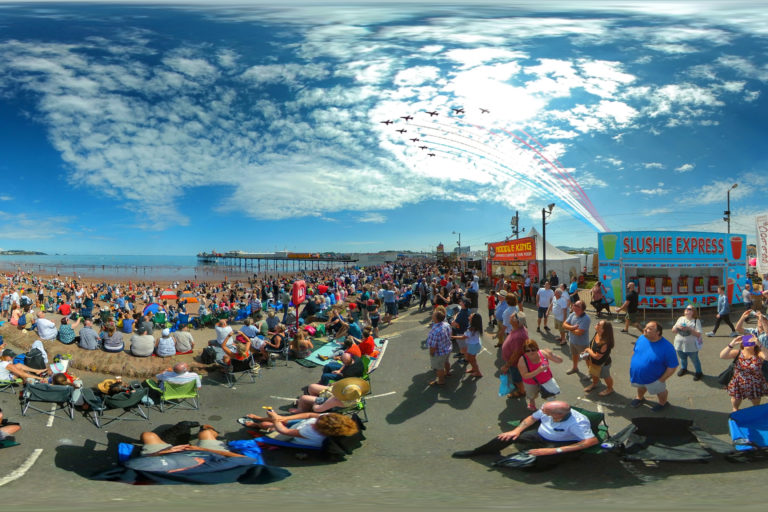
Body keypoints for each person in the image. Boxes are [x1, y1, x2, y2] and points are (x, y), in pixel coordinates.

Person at [451, 401, 598, 461]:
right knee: (505, 437)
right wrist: (516, 430)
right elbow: (532, 419)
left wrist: (555, 451)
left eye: (546, 413)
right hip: (540, 435)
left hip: (558, 442)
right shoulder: (548, 409)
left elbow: (591, 441)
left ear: (559, 415)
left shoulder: (578, 423)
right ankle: (478, 452)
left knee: (541, 462)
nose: (543, 413)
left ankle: (518, 461)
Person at [238, 410, 359, 448]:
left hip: (295, 435)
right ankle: (260, 421)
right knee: (280, 420)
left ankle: (257, 425)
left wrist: (275, 419)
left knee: (268, 425)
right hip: (302, 424)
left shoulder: (311, 432)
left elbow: (284, 432)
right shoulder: (328, 420)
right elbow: (309, 415)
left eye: (319, 422)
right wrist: (284, 417)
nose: (319, 419)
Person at [629, 321, 678, 411]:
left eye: (649, 329)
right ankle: (639, 397)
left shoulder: (668, 347)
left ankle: (663, 403)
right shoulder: (641, 338)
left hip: (655, 378)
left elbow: (672, 366)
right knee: (641, 386)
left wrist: (661, 380)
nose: (645, 329)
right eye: (646, 327)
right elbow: (635, 350)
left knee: (660, 391)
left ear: (657, 332)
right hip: (639, 375)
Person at [720, 333, 768, 411]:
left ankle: (755, 414)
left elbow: (767, 357)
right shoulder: (737, 353)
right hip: (738, 382)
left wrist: (760, 344)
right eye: (747, 341)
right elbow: (722, 356)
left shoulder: (759, 354)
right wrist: (732, 343)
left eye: (751, 341)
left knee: (756, 403)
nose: (749, 343)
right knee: (736, 401)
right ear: (743, 343)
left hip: (755, 383)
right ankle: (735, 411)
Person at [280, 377, 370, 414]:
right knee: (311, 387)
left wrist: (315, 402)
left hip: (327, 400)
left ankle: (302, 410)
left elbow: (318, 409)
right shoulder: (355, 392)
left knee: (303, 398)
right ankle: (306, 403)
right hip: (330, 394)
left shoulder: (336, 400)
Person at [518, 339, 563, 411]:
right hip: (531, 382)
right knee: (532, 395)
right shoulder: (522, 360)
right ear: (524, 351)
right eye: (528, 351)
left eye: (533, 349)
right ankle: (532, 402)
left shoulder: (543, 353)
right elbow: (525, 375)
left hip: (546, 380)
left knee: (551, 397)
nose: (531, 352)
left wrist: (552, 354)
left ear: (537, 348)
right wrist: (539, 370)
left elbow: (560, 361)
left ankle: (550, 410)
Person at [500, 312, 528, 399]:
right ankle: (518, 387)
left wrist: (507, 365)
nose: (509, 317)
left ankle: (521, 391)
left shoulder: (519, 336)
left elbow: (516, 354)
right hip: (513, 362)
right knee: (515, 377)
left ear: (517, 322)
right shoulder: (517, 328)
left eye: (511, 317)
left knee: (517, 378)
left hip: (514, 364)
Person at [672, 305, 704, 381]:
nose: (686, 310)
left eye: (689, 309)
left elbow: (698, 334)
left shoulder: (696, 320)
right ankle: (684, 369)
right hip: (679, 345)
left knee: (695, 360)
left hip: (691, 346)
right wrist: (677, 327)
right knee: (682, 358)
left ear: (693, 311)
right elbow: (673, 330)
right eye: (685, 308)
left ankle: (699, 372)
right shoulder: (680, 318)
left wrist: (689, 329)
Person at [584, 319, 615, 396]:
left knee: (606, 376)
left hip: (603, 364)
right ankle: (594, 384)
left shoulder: (604, 343)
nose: (596, 324)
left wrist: (588, 350)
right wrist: (588, 352)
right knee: (594, 373)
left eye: (598, 324)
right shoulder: (597, 334)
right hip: (593, 361)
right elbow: (592, 346)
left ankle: (610, 389)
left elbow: (597, 357)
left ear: (603, 330)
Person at [451, 312, 484, 378]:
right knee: (471, 358)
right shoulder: (476, 326)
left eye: (472, 315)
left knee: (472, 360)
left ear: (473, 319)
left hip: (473, 346)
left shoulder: (471, 329)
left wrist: (453, 337)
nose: (470, 315)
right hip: (475, 344)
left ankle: (478, 372)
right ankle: (474, 369)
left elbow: (463, 337)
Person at [426, 306, 452, 386]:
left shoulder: (434, 331)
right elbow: (450, 335)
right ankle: (447, 373)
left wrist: (431, 354)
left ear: (436, 319)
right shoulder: (446, 324)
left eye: (433, 315)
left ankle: (441, 381)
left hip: (440, 353)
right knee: (446, 362)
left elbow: (433, 346)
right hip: (448, 348)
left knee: (439, 368)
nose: (432, 316)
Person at [563, 301, 591, 375]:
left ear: (581, 308)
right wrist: (572, 328)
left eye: (576, 305)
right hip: (572, 341)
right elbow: (564, 324)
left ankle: (591, 373)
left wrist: (569, 328)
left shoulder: (586, 318)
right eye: (574, 304)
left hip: (582, 344)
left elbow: (579, 333)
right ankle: (575, 368)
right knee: (574, 355)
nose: (573, 305)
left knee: (586, 359)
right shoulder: (573, 314)